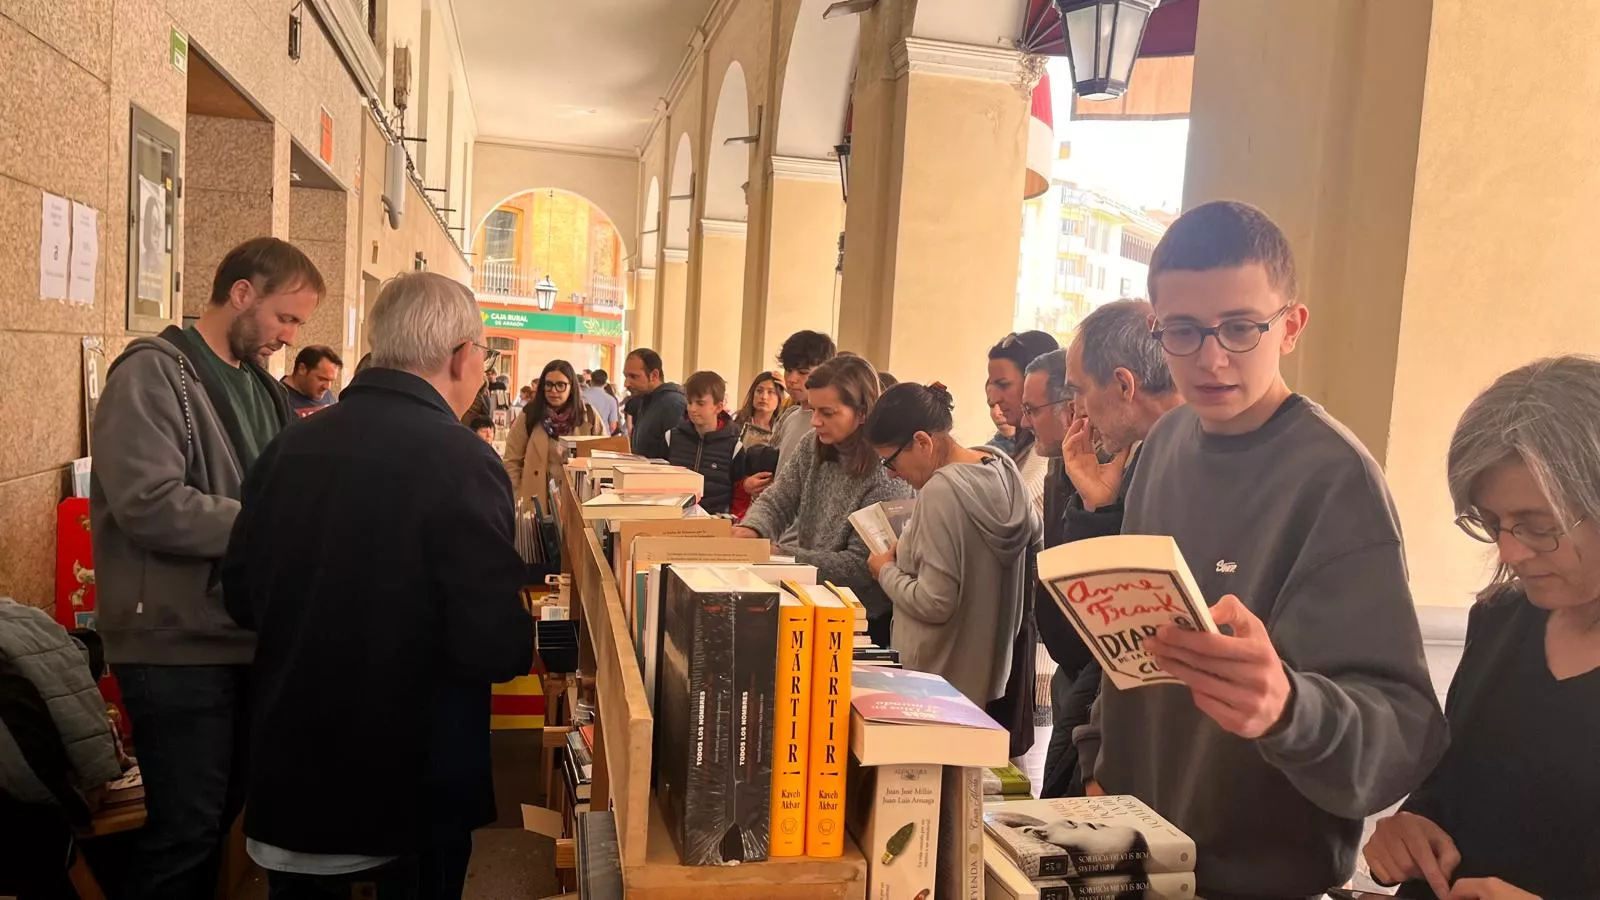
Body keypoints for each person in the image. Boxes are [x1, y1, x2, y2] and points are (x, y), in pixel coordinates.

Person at [1072, 200, 1447, 899]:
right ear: (1158, 331)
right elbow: (1128, 641)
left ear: (1291, 326)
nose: (1212, 358)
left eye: (1241, 328)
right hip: (1134, 852)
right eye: (1184, 331)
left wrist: (1286, 706)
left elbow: (1406, 729)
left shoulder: (1336, 480)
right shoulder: (1162, 448)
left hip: (1264, 876)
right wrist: (1099, 759)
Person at [222, 272, 535, 900]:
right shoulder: (462, 460)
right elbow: (493, 647)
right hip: (408, 789)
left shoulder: (289, 448)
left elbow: (240, 597)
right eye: (483, 355)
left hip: (294, 772)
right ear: (459, 356)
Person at [90, 236, 324, 900]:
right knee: (185, 827)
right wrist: (267, 526)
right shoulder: (152, 373)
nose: (289, 336)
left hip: (241, 636)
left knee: (215, 815)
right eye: (285, 318)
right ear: (241, 293)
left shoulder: (263, 389)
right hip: (174, 641)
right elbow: (148, 502)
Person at [1362, 356, 1600, 900]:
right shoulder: (1502, 621)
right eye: (1492, 523)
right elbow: (1452, 789)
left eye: (1540, 526)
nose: (1511, 551)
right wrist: (1407, 829)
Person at [1023, 302, 1183, 800]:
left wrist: (1098, 760)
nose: (1078, 410)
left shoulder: (1186, 463)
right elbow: (1084, 633)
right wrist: (1097, 506)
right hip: (1099, 723)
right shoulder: (1141, 460)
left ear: (1124, 384)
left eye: (1079, 391)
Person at [863, 382, 1036, 708]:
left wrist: (884, 570)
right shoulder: (1003, 468)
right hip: (985, 673)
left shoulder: (941, 491)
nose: (892, 476)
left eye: (890, 462)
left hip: (933, 679)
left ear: (922, 442)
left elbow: (934, 602)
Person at [733, 354, 913, 647]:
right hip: (811, 599)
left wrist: (777, 554)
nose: (815, 421)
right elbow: (779, 498)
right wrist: (750, 530)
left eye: (827, 413)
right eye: (813, 409)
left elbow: (860, 566)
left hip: (861, 620)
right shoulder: (812, 445)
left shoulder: (887, 472)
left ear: (862, 412)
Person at [505, 360, 603, 513]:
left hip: (577, 503)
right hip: (536, 501)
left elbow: (603, 460)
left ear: (571, 387)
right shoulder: (530, 415)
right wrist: (518, 496)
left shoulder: (588, 416)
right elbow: (512, 460)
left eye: (560, 385)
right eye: (548, 385)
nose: (553, 391)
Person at [986, 330, 1060, 518]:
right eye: (991, 386)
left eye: (1003, 385)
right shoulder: (1018, 446)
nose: (993, 399)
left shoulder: (1052, 453)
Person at [666, 371, 740, 515]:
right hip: (673, 520)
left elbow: (739, 491)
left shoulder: (734, 447)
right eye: (689, 402)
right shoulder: (671, 438)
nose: (692, 409)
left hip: (715, 524)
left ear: (718, 407)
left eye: (700, 403)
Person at [770, 330, 837, 458]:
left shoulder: (826, 425)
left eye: (803, 372)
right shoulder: (789, 417)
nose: (792, 379)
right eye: (788, 370)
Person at [622, 348, 686, 460]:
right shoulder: (646, 399)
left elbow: (678, 456)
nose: (626, 383)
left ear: (654, 375)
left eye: (633, 376)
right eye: (625, 376)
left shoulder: (673, 404)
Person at [281, 345, 343, 418]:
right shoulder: (279, 398)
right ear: (302, 369)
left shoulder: (328, 396)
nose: (327, 387)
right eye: (322, 379)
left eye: (331, 381)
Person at [585, 368, 622, 435]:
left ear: (591, 381)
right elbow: (613, 426)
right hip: (603, 437)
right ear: (605, 383)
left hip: (583, 436)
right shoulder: (611, 400)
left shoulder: (581, 396)